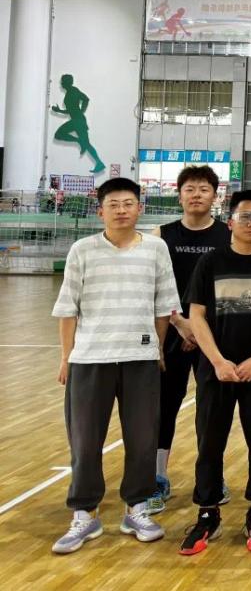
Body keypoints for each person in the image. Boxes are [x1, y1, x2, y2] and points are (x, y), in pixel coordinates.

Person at [51, 178, 179, 554]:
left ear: (140, 208)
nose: (121, 210)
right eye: (113, 204)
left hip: (140, 359)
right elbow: (67, 309)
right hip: (90, 359)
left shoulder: (156, 249)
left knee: (142, 439)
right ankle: (84, 513)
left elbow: (164, 306)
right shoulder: (82, 250)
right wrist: (66, 357)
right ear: (100, 211)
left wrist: (157, 348)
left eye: (128, 203)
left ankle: (136, 508)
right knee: (85, 440)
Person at [179, 190, 251, 555]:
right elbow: (196, 316)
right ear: (230, 222)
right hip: (216, 370)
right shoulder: (210, 261)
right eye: (245, 217)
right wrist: (217, 361)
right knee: (210, 441)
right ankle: (207, 512)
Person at [151, 165, 232, 513]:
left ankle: (211, 478)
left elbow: (228, 288)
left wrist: (199, 330)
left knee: (212, 410)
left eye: (203, 189)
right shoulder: (161, 235)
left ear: (215, 196)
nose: (196, 195)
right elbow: (154, 285)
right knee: (163, 405)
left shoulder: (228, 235)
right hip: (171, 330)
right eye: (190, 189)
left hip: (213, 336)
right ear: (179, 195)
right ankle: (156, 477)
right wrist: (179, 322)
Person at [50, 74, 105, 174]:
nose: (61, 83)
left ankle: (81, 143)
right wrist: (59, 110)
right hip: (77, 120)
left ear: (67, 82)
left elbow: (85, 99)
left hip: (78, 121)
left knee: (59, 134)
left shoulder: (73, 91)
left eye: (62, 81)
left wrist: (81, 111)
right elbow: (71, 110)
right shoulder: (71, 91)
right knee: (84, 143)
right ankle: (97, 160)